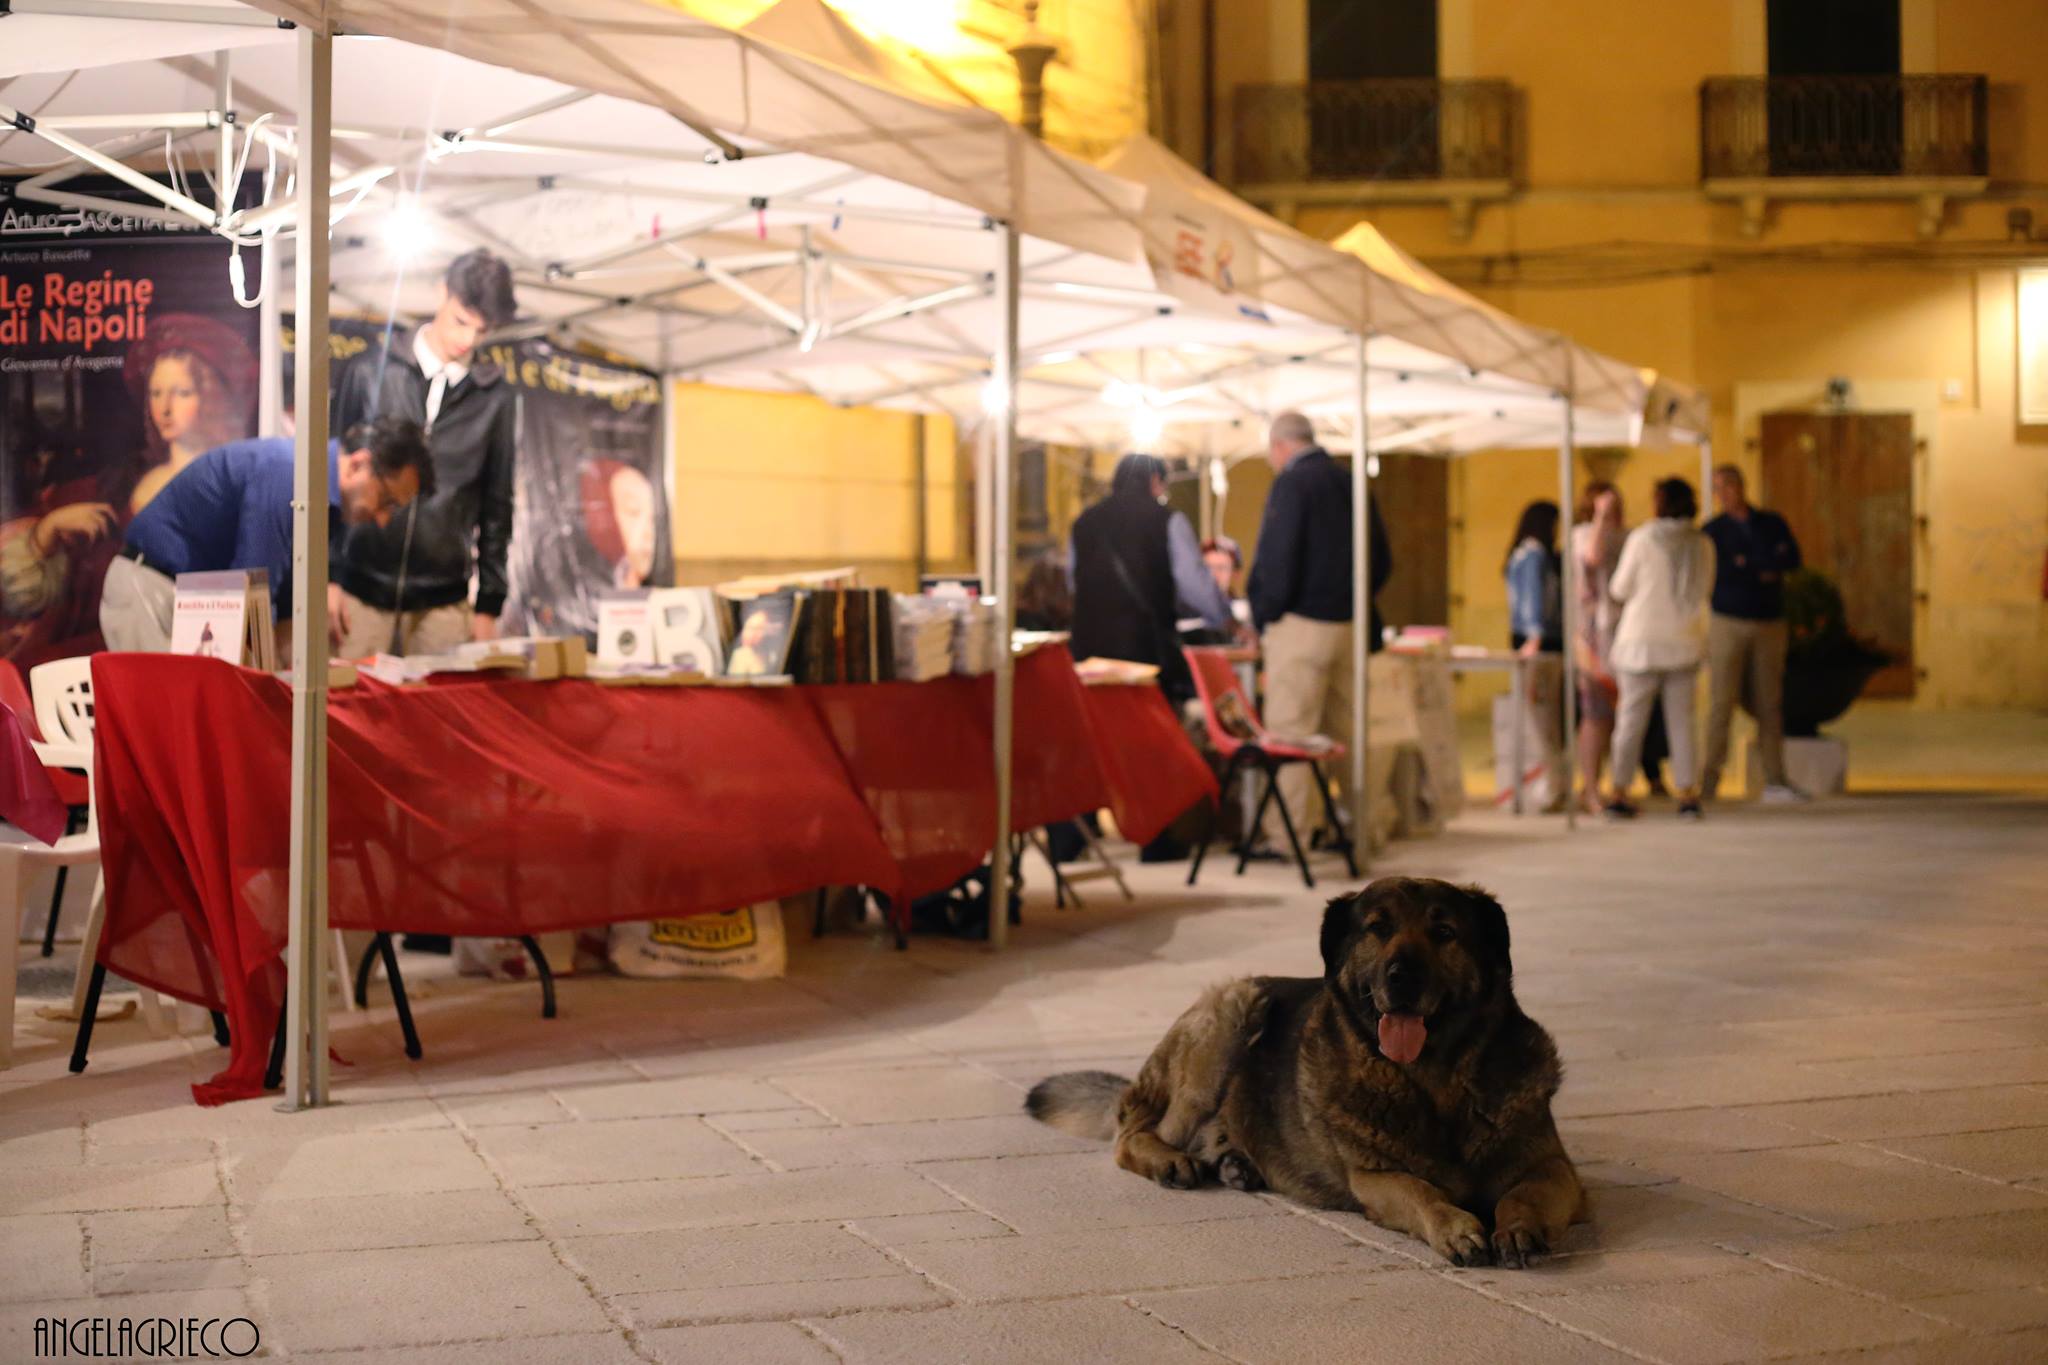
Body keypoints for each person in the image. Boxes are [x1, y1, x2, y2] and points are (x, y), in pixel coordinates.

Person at [98, 418, 435, 655]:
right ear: (358, 465)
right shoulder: (290, 472)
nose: (382, 519)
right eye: (387, 501)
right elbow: (251, 591)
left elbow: (281, 603)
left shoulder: (322, 500)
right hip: (152, 588)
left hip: (189, 600)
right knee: (160, 724)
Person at [330, 249, 519, 656]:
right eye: (461, 322)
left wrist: (489, 605)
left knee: (438, 699)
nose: (467, 340)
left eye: (482, 331)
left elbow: (497, 505)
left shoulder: (495, 398)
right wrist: (327, 576)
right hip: (358, 588)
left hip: (443, 600)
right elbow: (329, 476)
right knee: (348, 695)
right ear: (441, 292)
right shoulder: (371, 370)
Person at [1245, 410, 1391, 850]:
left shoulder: (1291, 483)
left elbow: (1279, 559)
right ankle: (1366, 830)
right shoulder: (1351, 482)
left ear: (1280, 446)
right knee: (1350, 734)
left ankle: (1290, 837)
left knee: (1292, 735)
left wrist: (1265, 612)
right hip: (1351, 625)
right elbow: (1382, 559)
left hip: (1301, 625)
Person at [1605, 477, 1712, 821]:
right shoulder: (1702, 544)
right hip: (1685, 642)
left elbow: (1619, 588)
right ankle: (1688, 794)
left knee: (1630, 721)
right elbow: (1706, 589)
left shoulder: (1643, 538)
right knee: (1682, 722)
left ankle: (1619, 791)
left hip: (1641, 643)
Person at [1700, 465, 1806, 803]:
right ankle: (1709, 780)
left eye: (1729, 485)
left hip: (1768, 621)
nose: (1725, 493)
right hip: (1728, 621)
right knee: (1722, 702)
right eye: (1719, 488)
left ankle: (1775, 778)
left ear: (1741, 486)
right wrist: (1758, 567)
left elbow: (1790, 559)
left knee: (1769, 703)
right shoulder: (1713, 531)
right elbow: (1721, 573)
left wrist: (1750, 564)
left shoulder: (1771, 523)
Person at [1067, 454, 1193, 700]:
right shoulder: (1168, 520)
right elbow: (1192, 583)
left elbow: (1072, 582)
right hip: (1146, 650)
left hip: (1089, 651)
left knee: (1103, 718)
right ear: (1155, 480)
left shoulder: (1083, 522)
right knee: (1148, 718)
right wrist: (1225, 619)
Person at [124, 315, 259, 516]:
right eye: (156, 393)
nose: (165, 408)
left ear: (210, 398)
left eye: (182, 393)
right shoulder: (130, 482)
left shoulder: (231, 480)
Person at [1504, 500, 1566, 812]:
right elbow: (1533, 597)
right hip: (1540, 643)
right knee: (1544, 721)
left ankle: (1553, 786)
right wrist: (1535, 636)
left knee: (1543, 721)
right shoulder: (1534, 554)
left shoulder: (1527, 553)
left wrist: (1533, 637)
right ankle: (1553, 785)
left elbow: (1531, 598)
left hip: (1536, 643)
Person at [1570, 481, 1625, 813]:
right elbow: (1592, 557)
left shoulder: (1625, 536)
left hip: (1621, 638)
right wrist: (1601, 519)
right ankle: (1590, 789)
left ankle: (1595, 785)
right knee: (1594, 716)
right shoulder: (1582, 535)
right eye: (1605, 507)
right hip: (1592, 641)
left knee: (1613, 719)